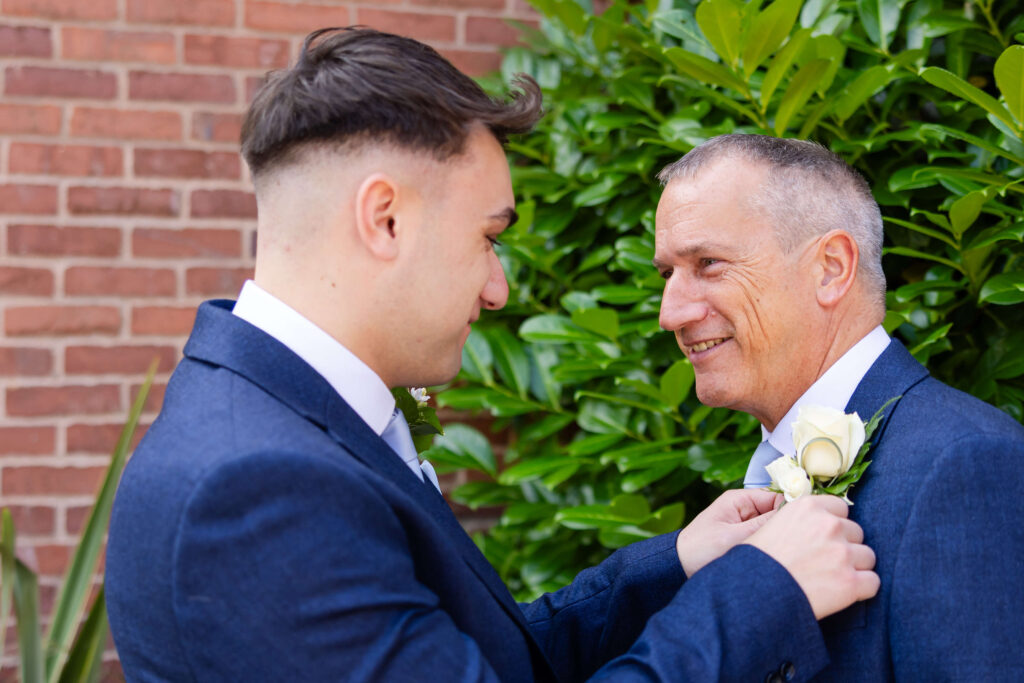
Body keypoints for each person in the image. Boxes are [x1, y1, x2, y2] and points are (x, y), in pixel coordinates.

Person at [105, 29, 878, 682]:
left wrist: (677, 561)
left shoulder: (287, 423)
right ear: (385, 219)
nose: (499, 287)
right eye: (488, 237)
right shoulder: (257, 486)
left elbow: (482, 658)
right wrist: (764, 591)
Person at [654, 133, 1024, 681]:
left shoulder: (964, 464)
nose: (670, 312)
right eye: (668, 273)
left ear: (830, 268)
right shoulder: (769, 474)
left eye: (708, 263)